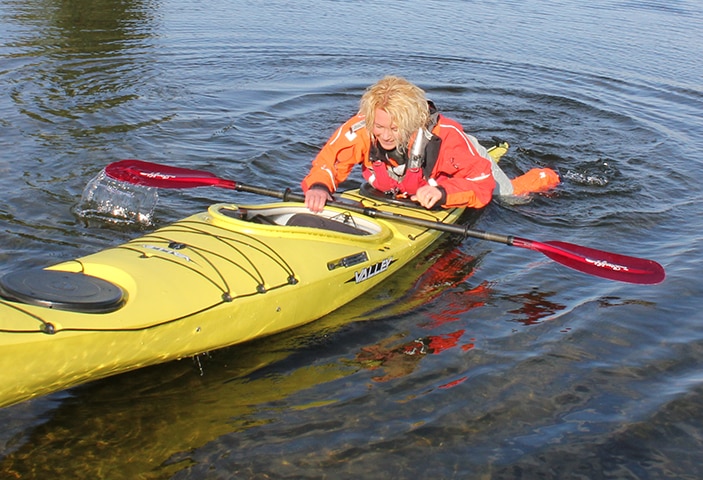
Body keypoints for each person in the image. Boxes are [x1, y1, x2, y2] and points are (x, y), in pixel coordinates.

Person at [301, 76, 559, 212]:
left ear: (412, 122)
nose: (385, 136)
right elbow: (330, 161)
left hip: (459, 164)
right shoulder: (361, 128)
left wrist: (444, 193)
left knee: (508, 197)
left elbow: (481, 183)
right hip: (402, 186)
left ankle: (547, 177)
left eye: (394, 128)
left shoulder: (445, 136)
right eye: (379, 127)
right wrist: (320, 187)